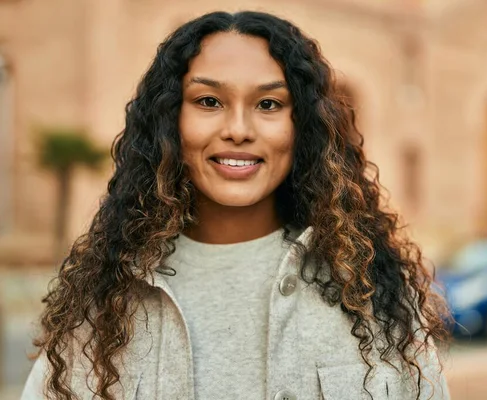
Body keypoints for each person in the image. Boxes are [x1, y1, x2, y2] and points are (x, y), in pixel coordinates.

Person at [21, 11, 450, 400]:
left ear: (302, 126)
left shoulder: (374, 294)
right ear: (171, 119)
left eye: (269, 104)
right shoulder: (101, 304)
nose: (239, 130)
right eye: (209, 101)